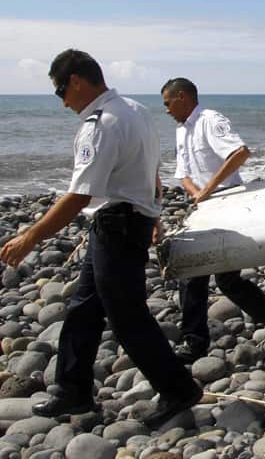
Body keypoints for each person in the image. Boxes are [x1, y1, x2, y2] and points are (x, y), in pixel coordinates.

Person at [0, 50, 202, 429]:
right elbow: (150, 169)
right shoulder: (136, 111)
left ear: (76, 81)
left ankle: (178, 388)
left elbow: (79, 196)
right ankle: (71, 389)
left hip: (118, 225)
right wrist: (153, 211)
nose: (62, 103)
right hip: (123, 221)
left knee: (127, 317)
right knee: (84, 308)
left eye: (61, 91)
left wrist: (30, 237)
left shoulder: (101, 122)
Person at [161, 78, 265, 362]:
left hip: (227, 201)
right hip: (205, 207)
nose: (166, 110)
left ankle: (194, 344)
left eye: (168, 103)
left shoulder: (210, 120)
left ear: (182, 97)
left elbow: (239, 153)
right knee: (217, 279)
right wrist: (197, 194)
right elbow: (183, 172)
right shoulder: (182, 131)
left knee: (207, 275)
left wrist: (208, 190)